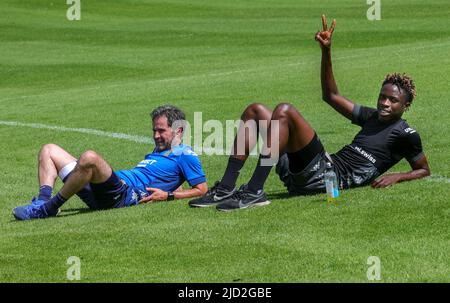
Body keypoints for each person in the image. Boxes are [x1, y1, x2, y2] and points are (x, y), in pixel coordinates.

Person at [189, 15, 430, 211]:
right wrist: (326, 50)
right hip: (310, 171)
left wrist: (398, 176)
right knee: (256, 110)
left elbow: (424, 169)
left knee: (284, 111)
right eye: (383, 97)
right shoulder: (371, 117)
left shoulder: (406, 133)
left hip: (327, 178)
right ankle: (226, 187)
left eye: (393, 100)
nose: (385, 103)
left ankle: (254, 192)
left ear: (405, 106)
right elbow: (331, 96)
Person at [13, 105, 208, 220]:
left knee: (90, 157)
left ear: (178, 131)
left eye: (161, 131)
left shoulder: (186, 154)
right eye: (154, 130)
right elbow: (167, 176)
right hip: (103, 191)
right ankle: (42, 201)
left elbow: (202, 189)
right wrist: (175, 188)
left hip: (121, 195)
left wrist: (169, 195)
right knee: (49, 150)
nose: (156, 135)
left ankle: (47, 210)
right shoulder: (161, 151)